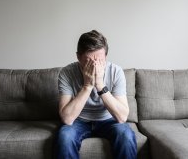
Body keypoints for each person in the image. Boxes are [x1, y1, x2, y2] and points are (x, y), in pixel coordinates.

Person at [56, 30, 137, 159]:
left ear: (106, 56)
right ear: (78, 57)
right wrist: (87, 86)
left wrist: (100, 85)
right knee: (65, 136)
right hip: (79, 120)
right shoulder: (67, 73)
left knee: (126, 135)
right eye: (88, 62)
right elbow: (67, 118)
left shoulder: (116, 71)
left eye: (99, 61)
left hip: (108, 119)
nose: (94, 66)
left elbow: (122, 117)